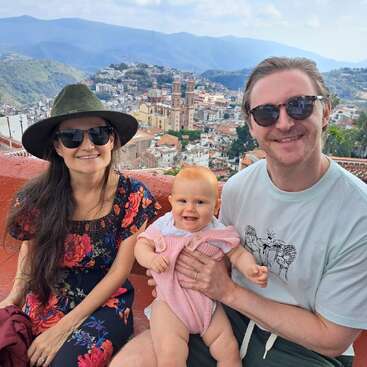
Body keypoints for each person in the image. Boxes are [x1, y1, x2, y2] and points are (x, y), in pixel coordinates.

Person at [110, 57, 367, 367]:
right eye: (266, 113)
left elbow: (332, 338)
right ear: (251, 125)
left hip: (303, 349)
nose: (284, 123)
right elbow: (216, 255)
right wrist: (178, 273)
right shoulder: (238, 188)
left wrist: (229, 292)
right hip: (223, 317)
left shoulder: (357, 213)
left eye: (299, 105)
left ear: (325, 111)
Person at [0, 84, 159, 367]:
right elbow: (31, 250)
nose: (88, 146)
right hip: (47, 294)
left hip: (105, 302)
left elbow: (118, 272)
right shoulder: (38, 198)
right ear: (57, 147)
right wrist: (15, 297)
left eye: (98, 134)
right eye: (72, 137)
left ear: (112, 141)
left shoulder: (132, 196)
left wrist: (63, 329)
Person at [133, 166, 268, 367]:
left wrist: (251, 269)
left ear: (215, 207)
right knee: (171, 354)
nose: (190, 208)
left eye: (200, 202)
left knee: (229, 350)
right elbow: (141, 245)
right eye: (182, 201)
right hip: (170, 304)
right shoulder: (165, 225)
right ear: (171, 202)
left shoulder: (217, 232)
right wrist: (151, 259)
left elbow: (237, 253)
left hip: (208, 306)